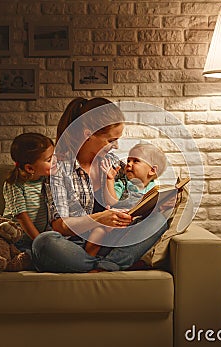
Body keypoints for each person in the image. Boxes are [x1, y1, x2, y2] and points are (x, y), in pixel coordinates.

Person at [31, 97, 170, 273]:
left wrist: (157, 203)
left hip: (111, 242)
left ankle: (105, 265)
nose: (116, 146)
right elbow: (60, 225)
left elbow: (139, 190)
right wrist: (100, 218)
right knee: (43, 243)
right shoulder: (59, 168)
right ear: (88, 134)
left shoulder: (113, 164)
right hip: (73, 247)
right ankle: (106, 265)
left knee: (158, 221)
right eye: (111, 140)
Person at [85, 143, 167, 256]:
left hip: (133, 228)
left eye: (136, 161)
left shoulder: (154, 189)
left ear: (152, 170)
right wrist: (110, 179)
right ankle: (88, 259)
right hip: (113, 224)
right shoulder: (123, 184)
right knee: (98, 232)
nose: (128, 164)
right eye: (128, 160)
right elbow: (111, 201)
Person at [2, 133, 55, 254]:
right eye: (49, 160)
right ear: (30, 168)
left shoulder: (46, 180)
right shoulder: (14, 184)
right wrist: (40, 242)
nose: (55, 161)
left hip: (38, 236)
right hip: (18, 239)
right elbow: (22, 218)